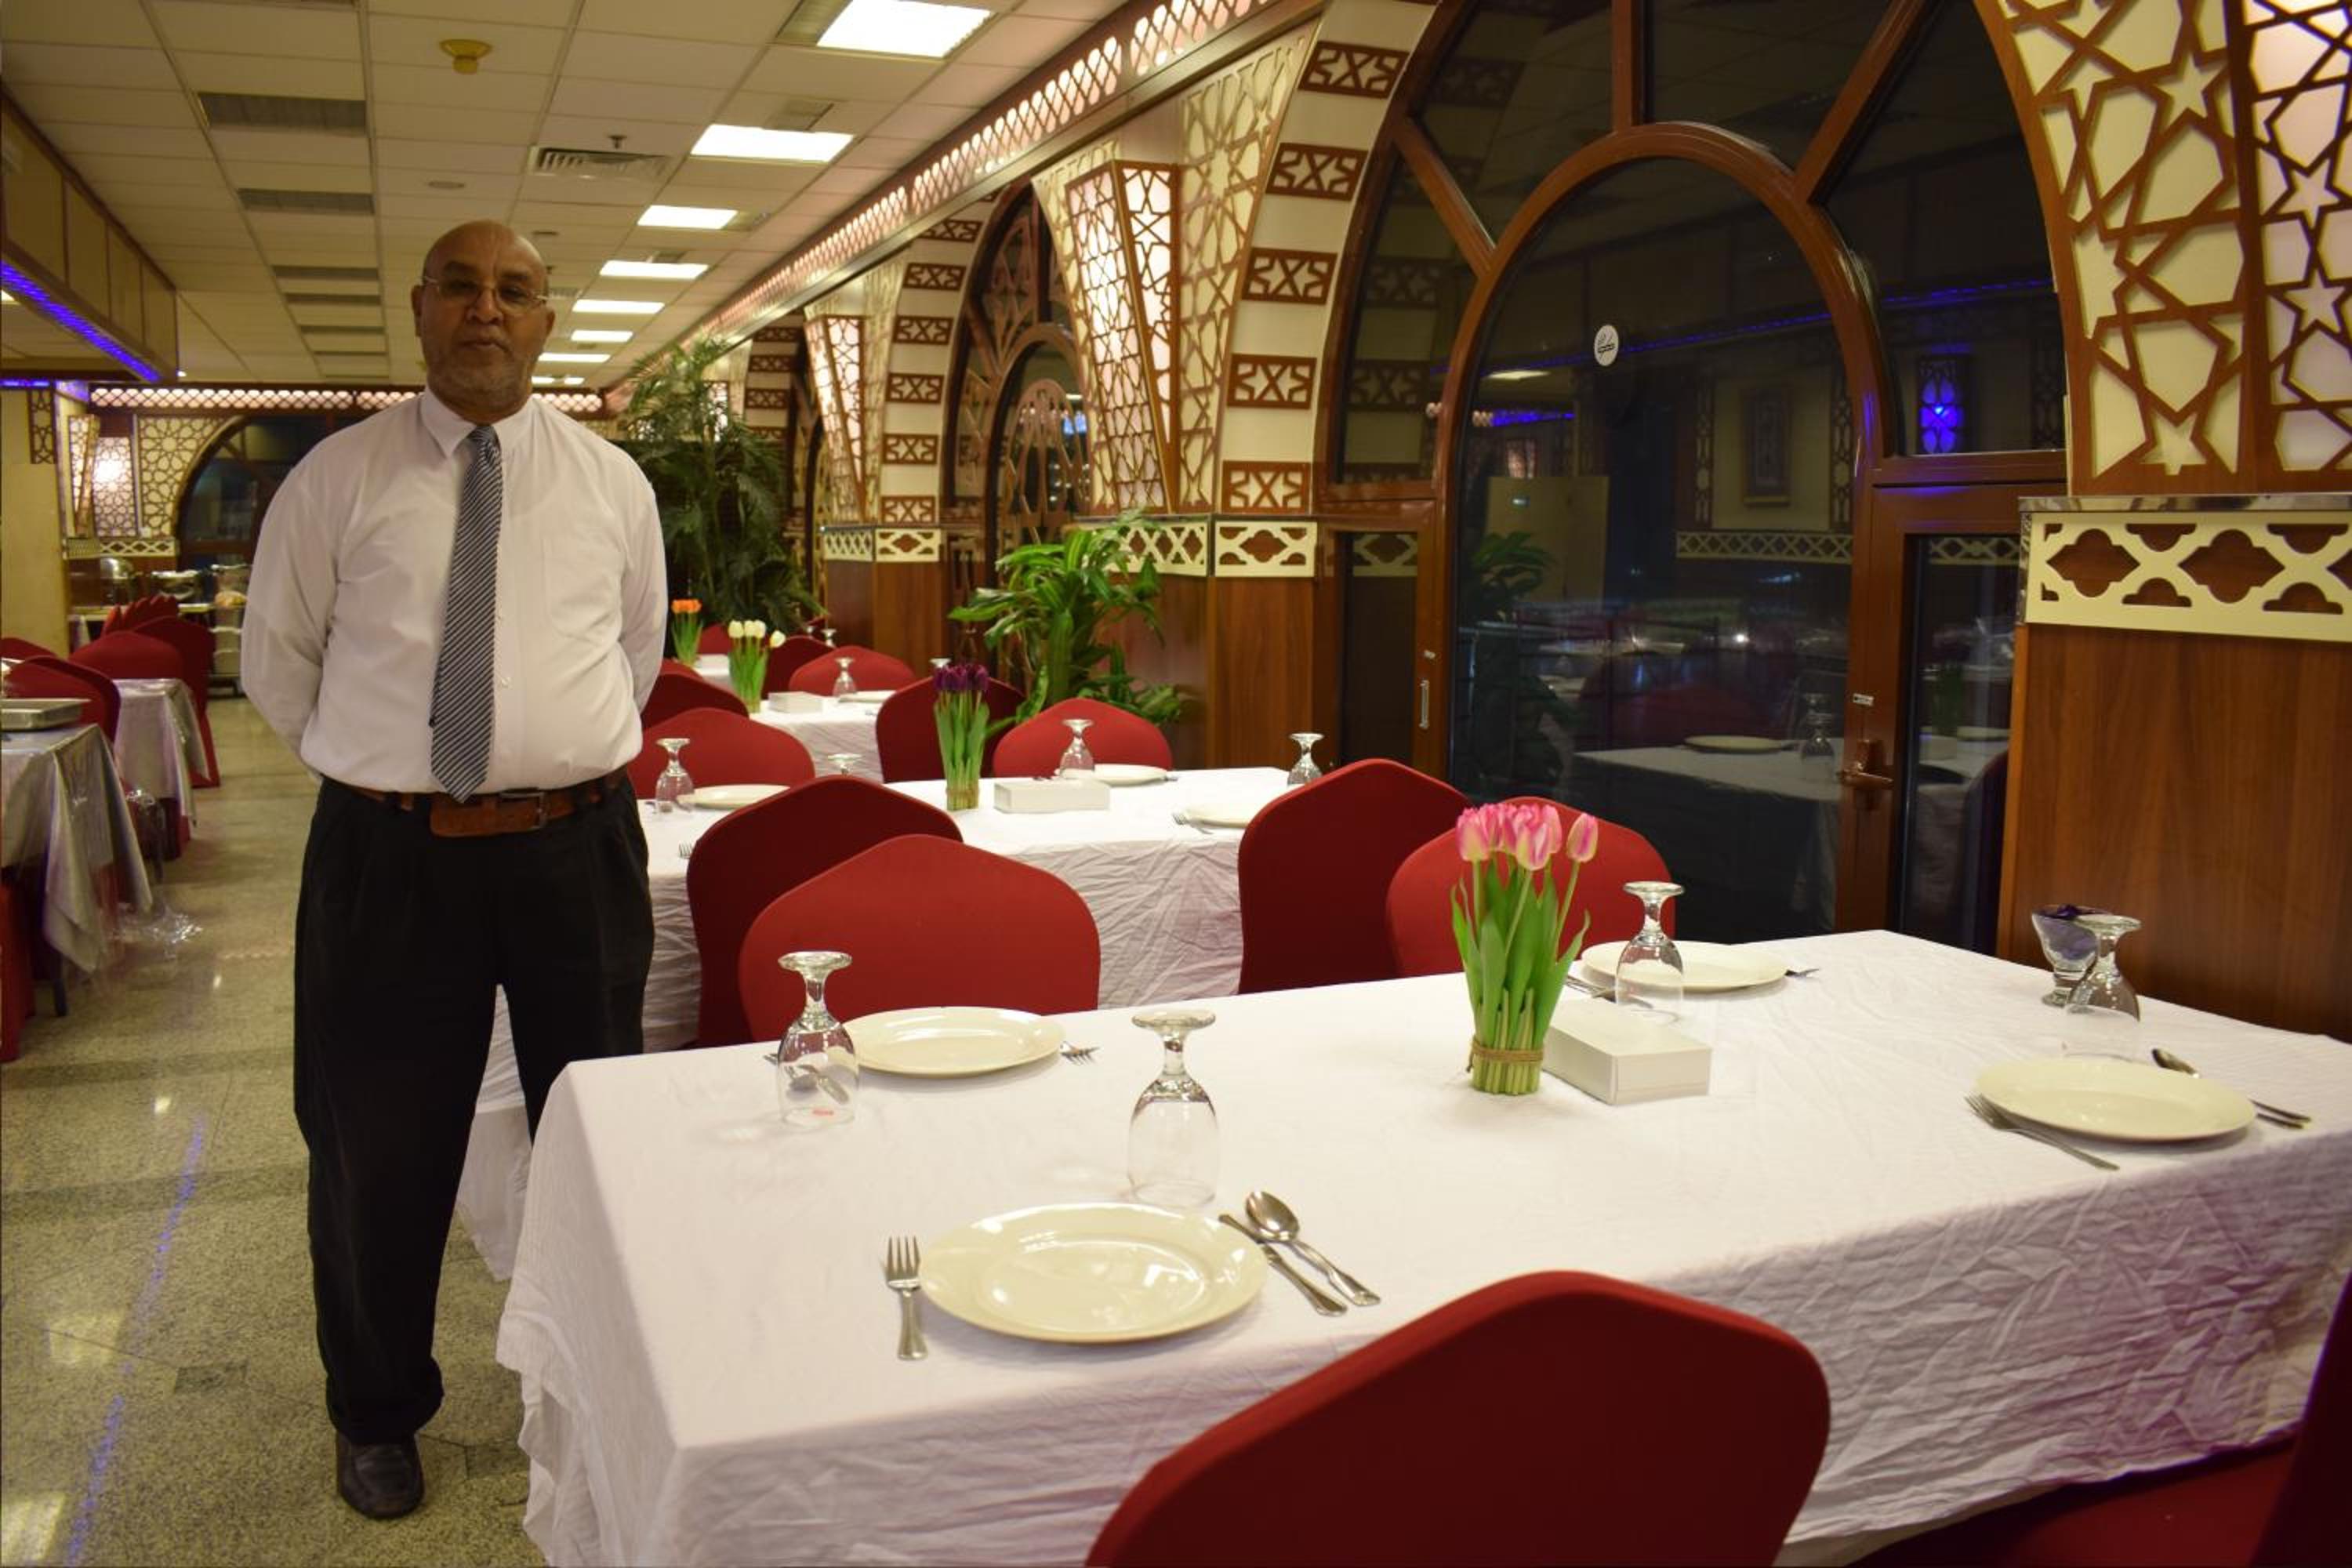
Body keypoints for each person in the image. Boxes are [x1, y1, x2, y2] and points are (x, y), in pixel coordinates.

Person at [241, 220, 663, 1520]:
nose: (488, 309)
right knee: (377, 1145)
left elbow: (635, 654)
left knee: (599, 1132)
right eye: (464, 288)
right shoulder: (337, 480)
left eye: (515, 291)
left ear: (546, 322)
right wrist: (393, 779)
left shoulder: (611, 484)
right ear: (422, 309)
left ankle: (606, 1377)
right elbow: (278, 667)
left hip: (576, 849)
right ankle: (376, 1411)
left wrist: (545, 759)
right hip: (390, 860)